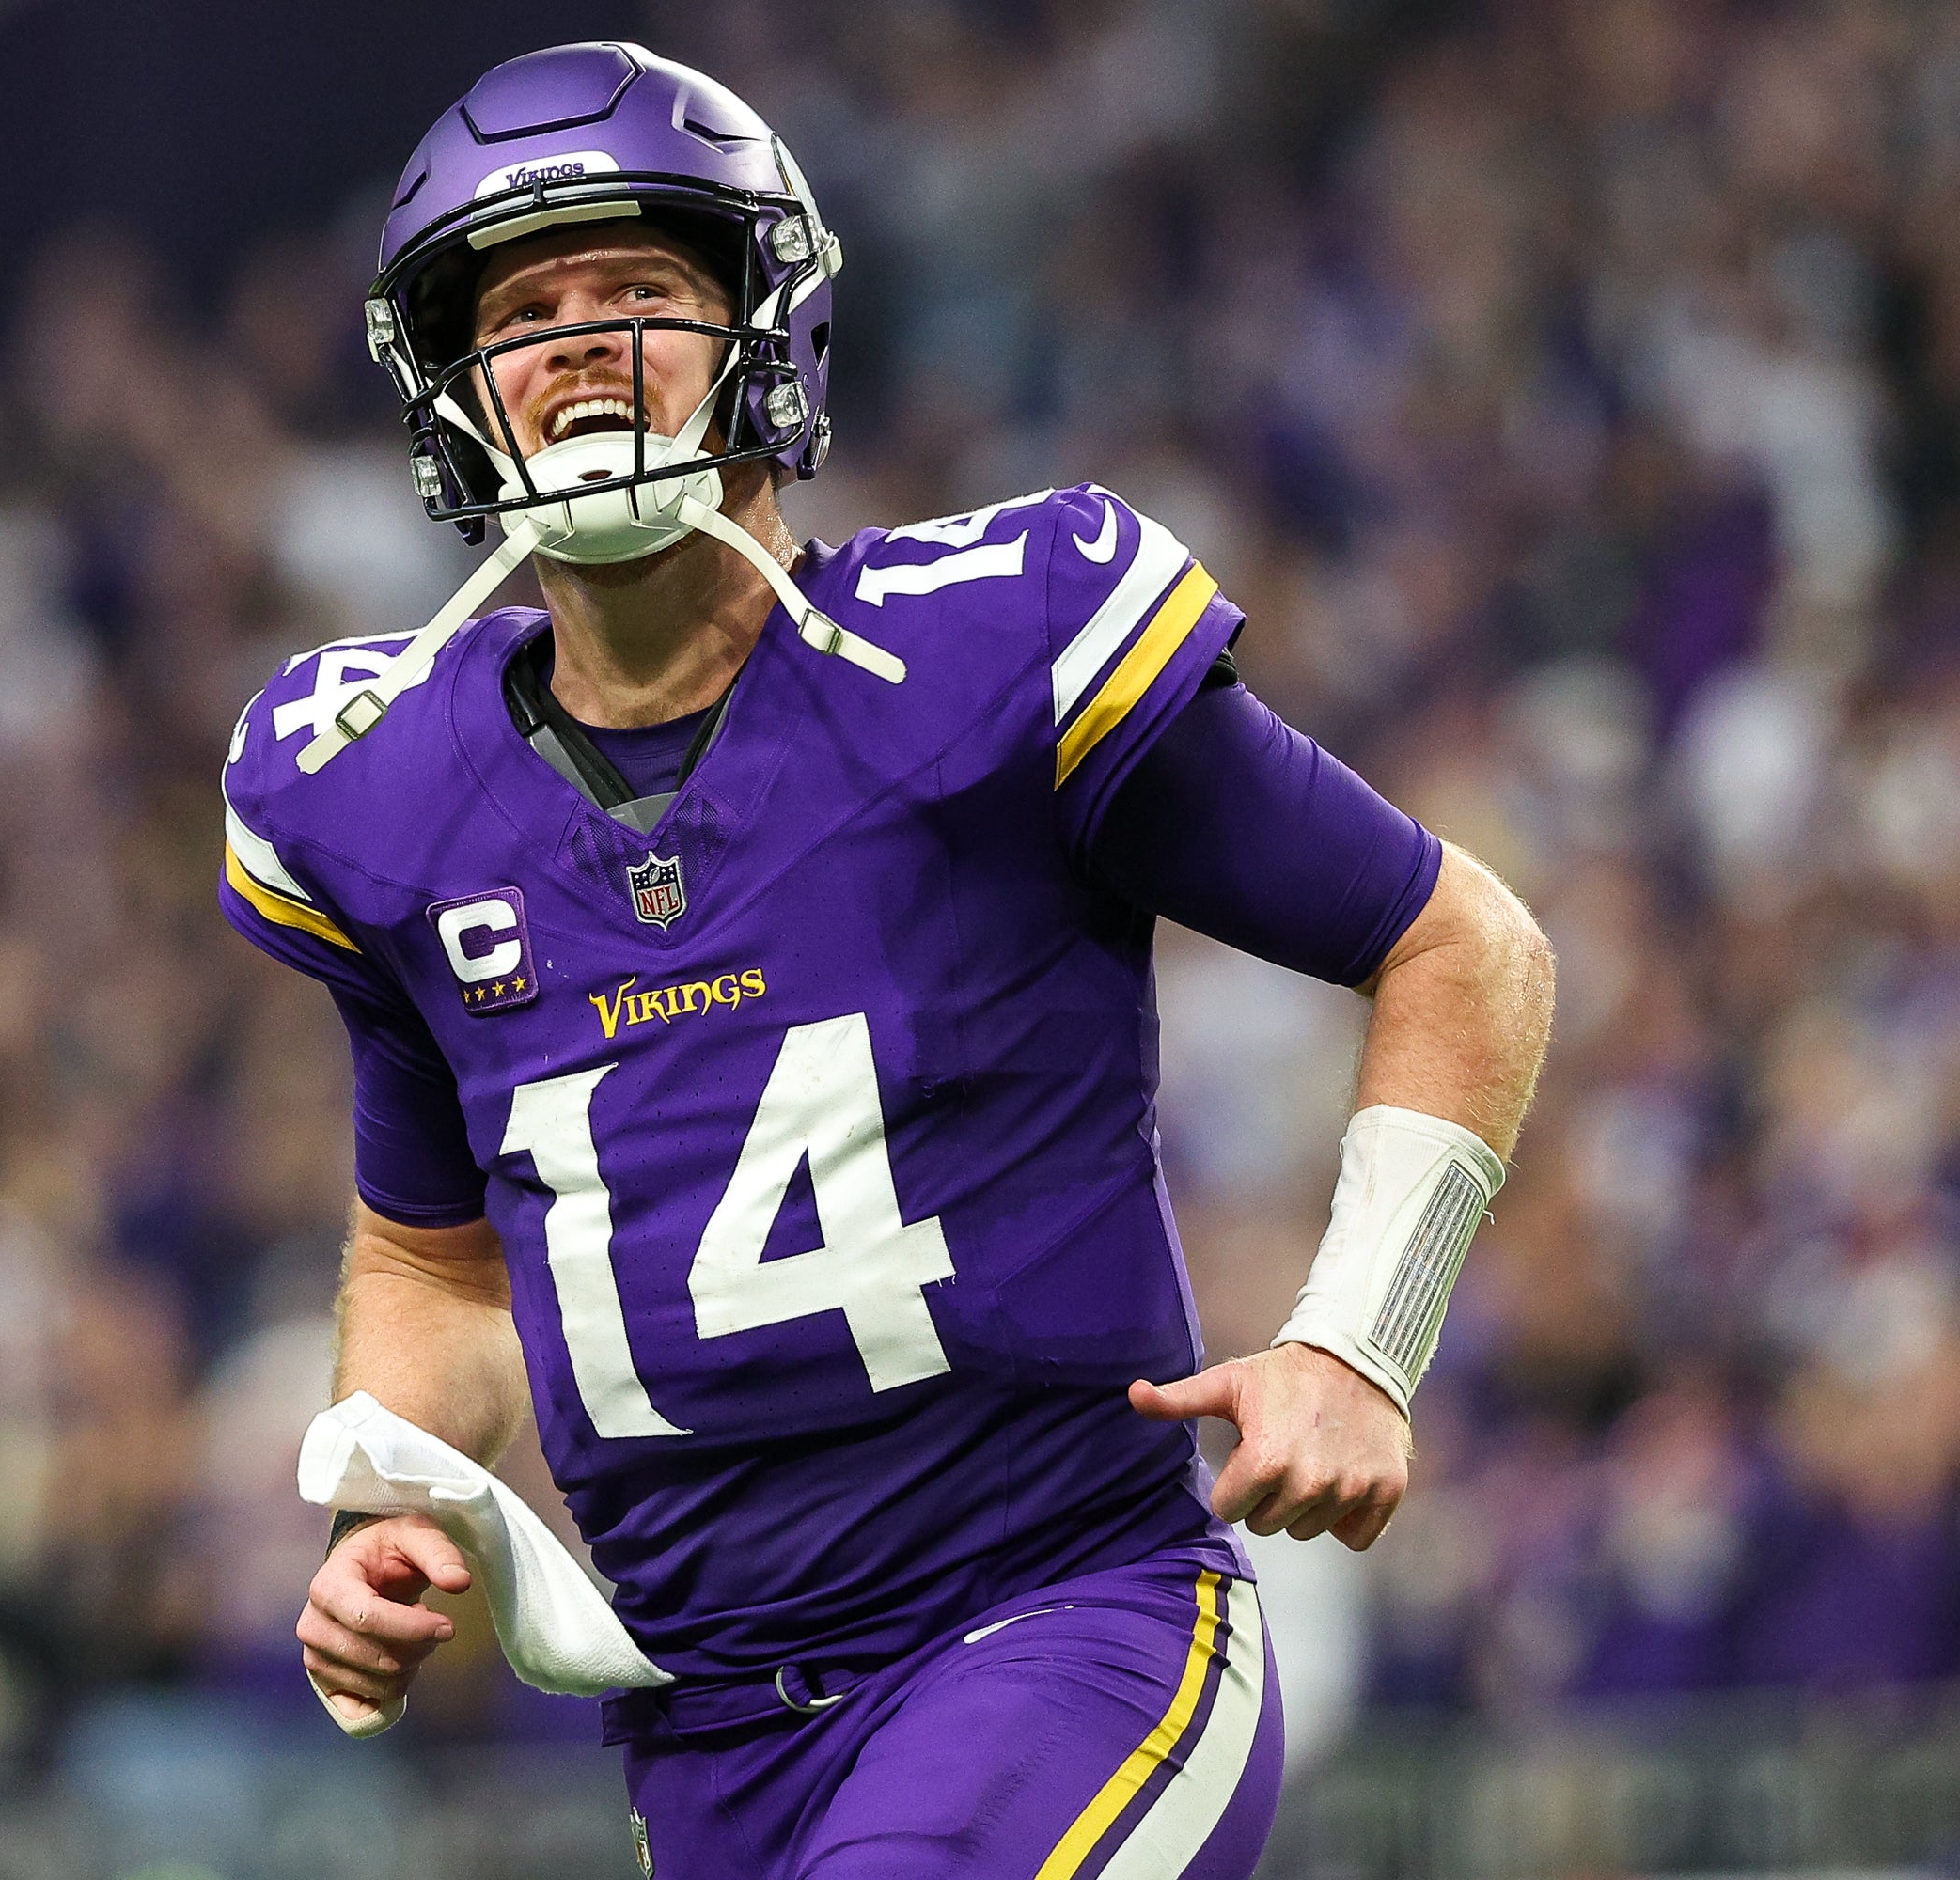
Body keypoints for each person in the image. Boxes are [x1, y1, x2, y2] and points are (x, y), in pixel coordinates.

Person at [218, 41, 1554, 1880]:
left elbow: (1457, 938)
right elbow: (437, 1266)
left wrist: (1359, 1337)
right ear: (454, 387)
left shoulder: (986, 658)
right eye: (526, 309)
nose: (583, 347)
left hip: (1061, 1627)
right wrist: (393, 1498)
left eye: (641, 293)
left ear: (767, 327)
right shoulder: (379, 790)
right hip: (704, 1737)